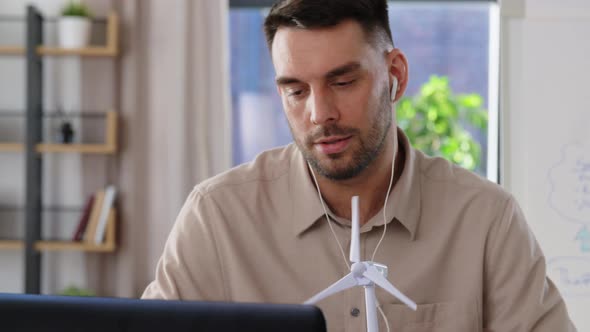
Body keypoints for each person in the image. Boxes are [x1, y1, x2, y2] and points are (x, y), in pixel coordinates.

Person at [142, 0, 576, 330]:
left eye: (343, 82)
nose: (320, 113)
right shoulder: (217, 217)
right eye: (295, 90)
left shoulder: (485, 219)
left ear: (396, 76)